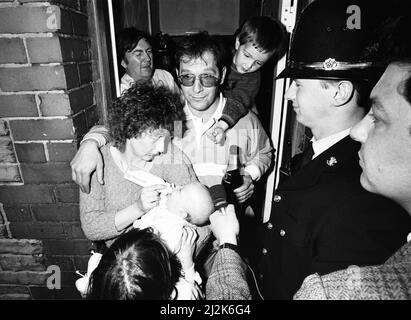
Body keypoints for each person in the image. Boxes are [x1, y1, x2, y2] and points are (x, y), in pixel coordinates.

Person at [259, 0, 411, 300]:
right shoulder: (317, 151)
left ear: (340, 92)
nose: (289, 93)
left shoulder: (366, 194)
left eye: (299, 84)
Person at [79, 82, 199, 249]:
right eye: (155, 138)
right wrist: (138, 209)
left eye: (166, 137)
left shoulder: (172, 156)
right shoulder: (99, 161)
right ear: (130, 129)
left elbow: (197, 213)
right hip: (119, 261)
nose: (161, 148)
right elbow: (92, 227)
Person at [71, 27, 179, 194]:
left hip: (168, 149)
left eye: (149, 51)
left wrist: (175, 141)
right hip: (144, 162)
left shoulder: (165, 77)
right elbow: (110, 125)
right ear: (123, 62)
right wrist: (90, 142)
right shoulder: (119, 90)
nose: (147, 58)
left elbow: (180, 114)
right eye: (138, 54)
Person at [208, 16, 286, 145]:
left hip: (231, 115)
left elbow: (238, 101)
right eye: (247, 55)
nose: (249, 66)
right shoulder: (219, 57)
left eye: (258, 63)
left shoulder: (253, 78)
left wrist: (222, 126)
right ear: (238, 43)